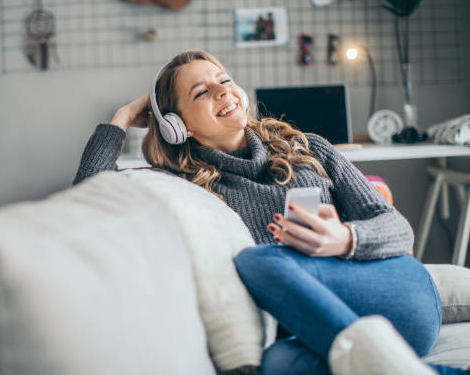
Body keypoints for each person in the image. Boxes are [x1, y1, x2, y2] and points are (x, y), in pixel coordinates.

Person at [73, 50, 469, 375]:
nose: (222, 92)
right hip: (307, 327)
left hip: (390, 291)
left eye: (224, 80)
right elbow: (88, 203)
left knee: (257, 262)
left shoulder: (310, 148)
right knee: (278, 367)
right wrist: (121, 120)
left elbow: (397, 230)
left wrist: (343, 238)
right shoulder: (180, 185)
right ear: (178, 127)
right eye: (201, 92)